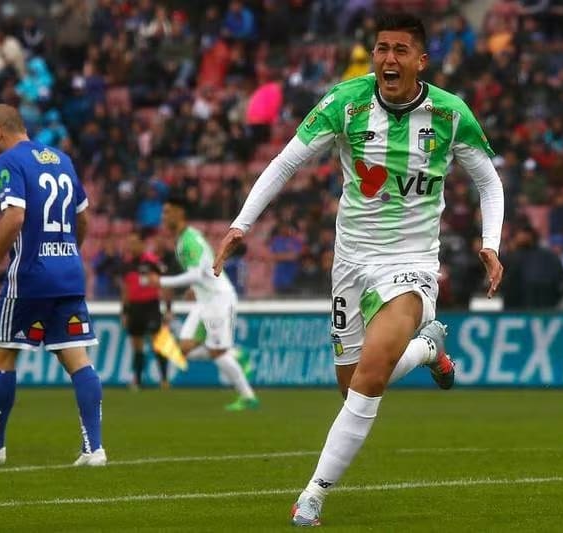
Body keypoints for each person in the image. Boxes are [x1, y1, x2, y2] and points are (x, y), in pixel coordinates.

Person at [213, 14, 504, 525]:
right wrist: (241, 225)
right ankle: (428, 348)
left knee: (370, 378)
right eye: (380, 49)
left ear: (421, 60)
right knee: (351, 386)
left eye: (399, 50)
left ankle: (313, 495)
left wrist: (491, 243)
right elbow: (285, 162)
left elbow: (489, 182)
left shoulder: (450, 114)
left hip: (411, 263)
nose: (388, 59)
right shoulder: (344, 104)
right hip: (350, 261)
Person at [0, 104, 105, 466]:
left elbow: (15, 215)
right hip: (68, 274)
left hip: (30, 277)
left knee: (2, 354)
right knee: (78, 360)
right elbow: (84, 218)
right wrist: (68, 253)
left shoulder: (8, 161)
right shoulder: (62, 160)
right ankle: (94, 448)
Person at [150, 192, 259, 411]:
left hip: (218, 299)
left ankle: (247, 396)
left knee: (217, 353)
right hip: (204, 301)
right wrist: (195, 288)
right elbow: (201, 272)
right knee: (183, 348)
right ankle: (236, 354)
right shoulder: (182, 240)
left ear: (179, 213)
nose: (163, 217)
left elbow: (196, 274)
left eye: (167, 212)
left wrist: (162, 281)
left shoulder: (190, 240)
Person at [120, 231, 169, 390]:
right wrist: (125, 311)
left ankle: (164, 380)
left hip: (151, 306)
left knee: (158, 343)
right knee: (137, 345)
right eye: (130, 242)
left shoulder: (152, 261)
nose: (131, 246)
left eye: (134, 243)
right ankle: (138, 381)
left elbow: (166, 283)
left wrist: (168, 308)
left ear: (142, 244)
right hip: (134, 308)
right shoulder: (127, 264)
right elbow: (126, 290)